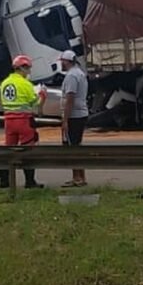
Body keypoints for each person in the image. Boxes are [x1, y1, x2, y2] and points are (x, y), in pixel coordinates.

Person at [0, 55, 46, 189]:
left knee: (9, 149)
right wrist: (42, 95)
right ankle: (30, 182)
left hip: (8, 122)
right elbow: (35, 103)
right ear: (22, 68)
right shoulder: (25, 84)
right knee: (28, 149)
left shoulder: (5, 83)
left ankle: (4, 181)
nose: (29, 72)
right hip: (24, 121)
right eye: (28, 68)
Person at [59, 50, 89, 188]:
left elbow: (70, 98)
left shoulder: (71, 76)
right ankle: (81, 177)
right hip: (80, 114)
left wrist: (65, 120)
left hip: (74, 116)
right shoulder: (80, 73)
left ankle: (77, 177)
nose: (61, 64)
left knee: (73, 148)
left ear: (67, 61)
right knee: (77, 146)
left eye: (62, 61)